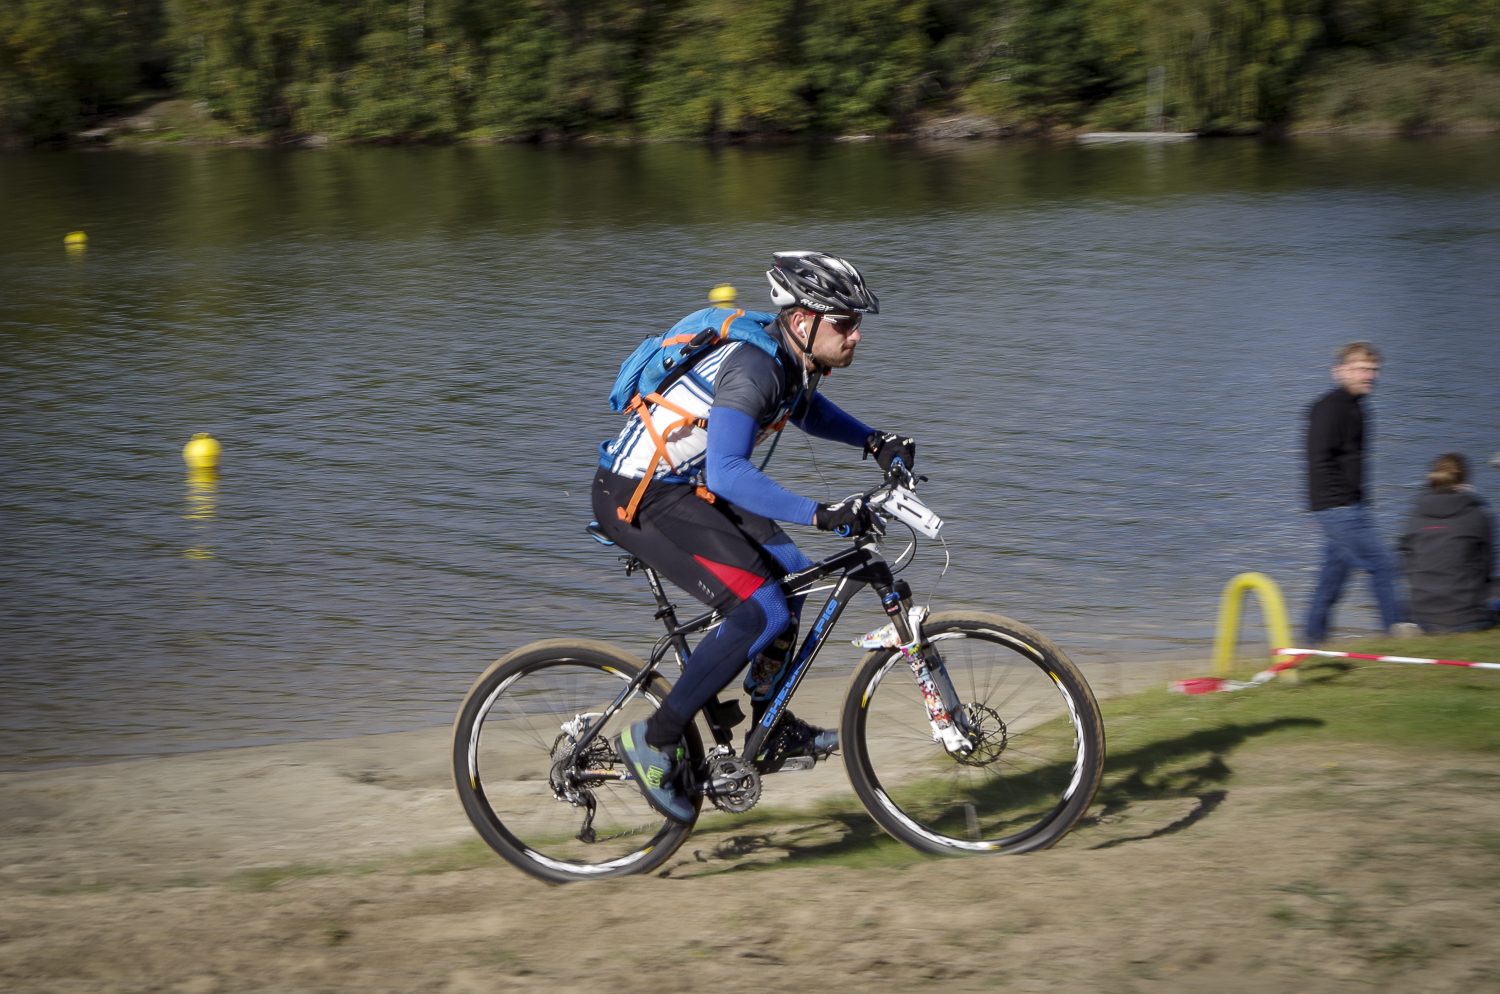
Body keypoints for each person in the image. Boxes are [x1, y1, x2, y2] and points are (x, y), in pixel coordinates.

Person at [590, 251, 915, 822]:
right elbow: (727, 472)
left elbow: (803, 410)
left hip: (689, 488)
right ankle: (655, 738)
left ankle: (771, 721)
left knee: (796, 578)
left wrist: (871, 440)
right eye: (844, 323)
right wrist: (820, 514)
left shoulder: (788, 360)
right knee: (759, 611)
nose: (856, 335)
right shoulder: (756, 366)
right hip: (641, 495)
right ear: (802, 320)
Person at [1303, 341, 1416, 643]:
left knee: (1332, 579)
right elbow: (1318, 461)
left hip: (1352, 506)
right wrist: (1335, 508)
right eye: (1361, 369)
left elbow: (1352, 462)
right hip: (1338, 508)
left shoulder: (1359, 407)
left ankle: (1312, 641)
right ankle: (1398, 634)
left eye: (1373, 369)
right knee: (1383, 564)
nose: (1369, 375)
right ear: (1339, 371)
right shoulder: (1327, 408)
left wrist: (1359, 502)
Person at [1399, 453, 1495, 633]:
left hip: (1421, 614)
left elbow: (1407, 564)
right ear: (1465, 480)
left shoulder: (1414, 515)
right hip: (1465, 616)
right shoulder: (1477, 515)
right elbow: (1486, 567)